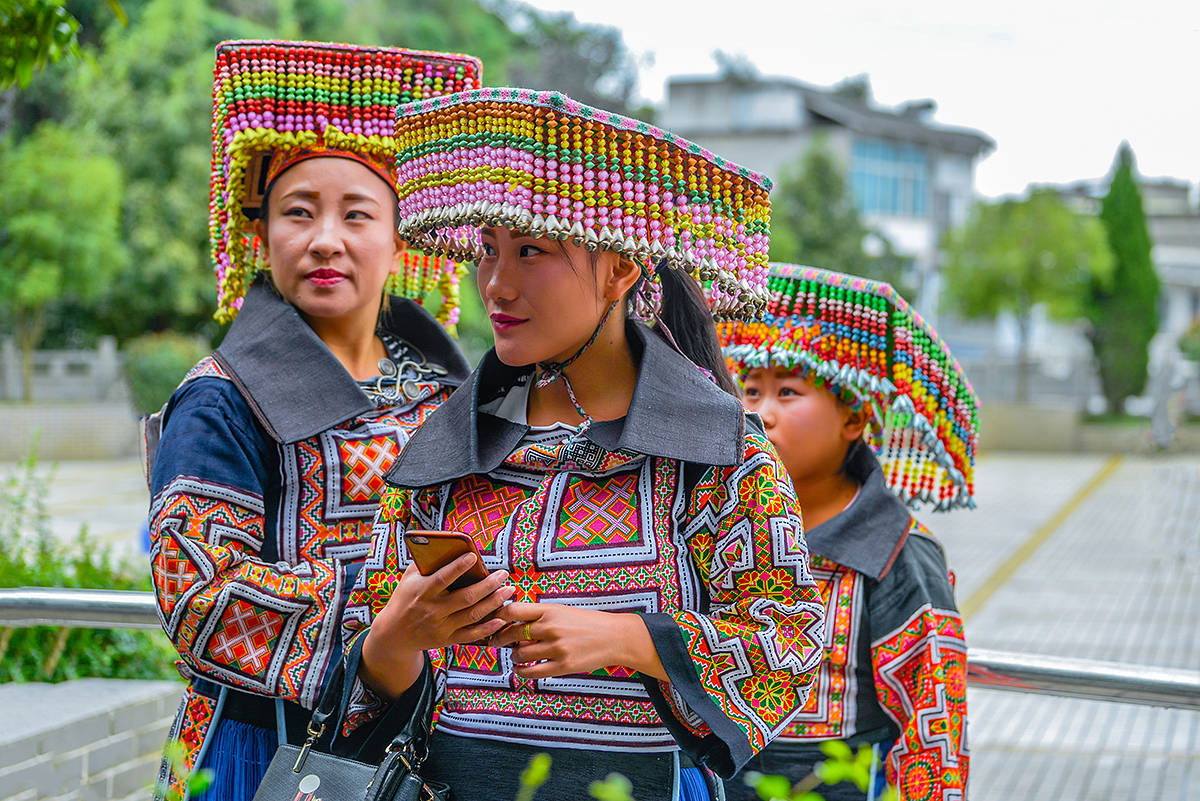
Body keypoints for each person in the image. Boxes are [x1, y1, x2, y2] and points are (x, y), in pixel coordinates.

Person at [339, 88, 827, 800]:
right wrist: (395, 638)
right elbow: (368, 675)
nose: (496, 285)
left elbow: (789, 644)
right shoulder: (442, 450)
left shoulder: (716, 454)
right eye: (488, 250)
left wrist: (632, 639)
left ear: (621, 268)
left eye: (531, 251)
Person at [145, 39, 482, 800]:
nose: (326, 239)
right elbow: (199, 594)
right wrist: (391, 621)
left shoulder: (453, 394)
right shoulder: (222, 398)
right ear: (262, 234)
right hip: (259, 750)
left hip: (434, 741)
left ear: (399, 238)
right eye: (298, 212)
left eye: (356, 214)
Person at [717, 264, 977, 801]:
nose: (761, 413)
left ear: (854, 420)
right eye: (751, 390)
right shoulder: (716, 524)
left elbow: (935, 738)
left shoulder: (898, 554)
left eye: (788, 392)